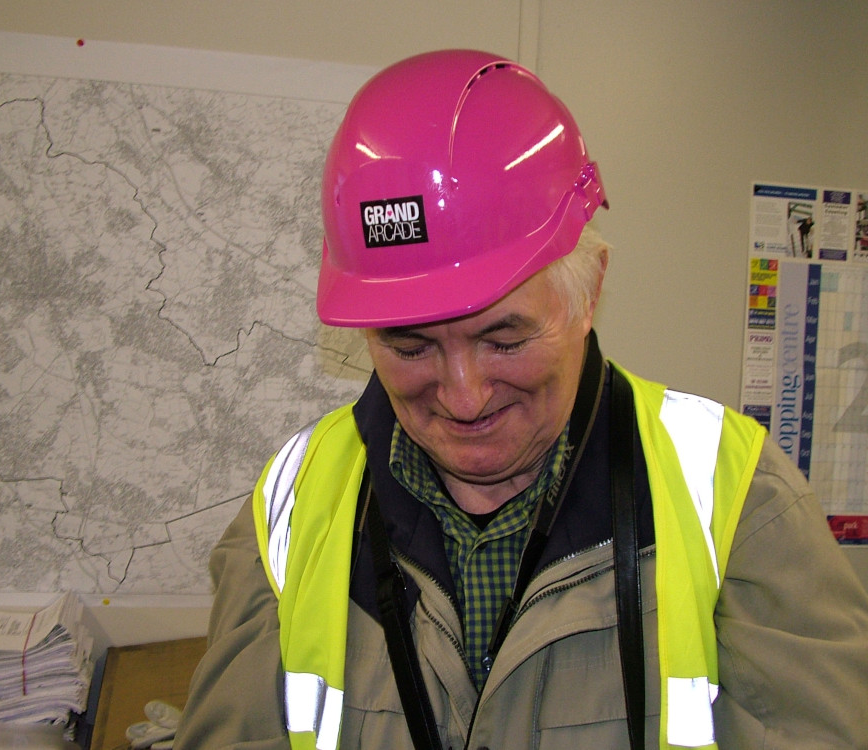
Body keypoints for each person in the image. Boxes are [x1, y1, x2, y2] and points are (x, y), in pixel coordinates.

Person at [174, 50, 868, 750]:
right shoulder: (287, 513)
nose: (464, 398)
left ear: (589, 291)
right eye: (410, 348)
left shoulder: (740, 499)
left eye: (504, 339)